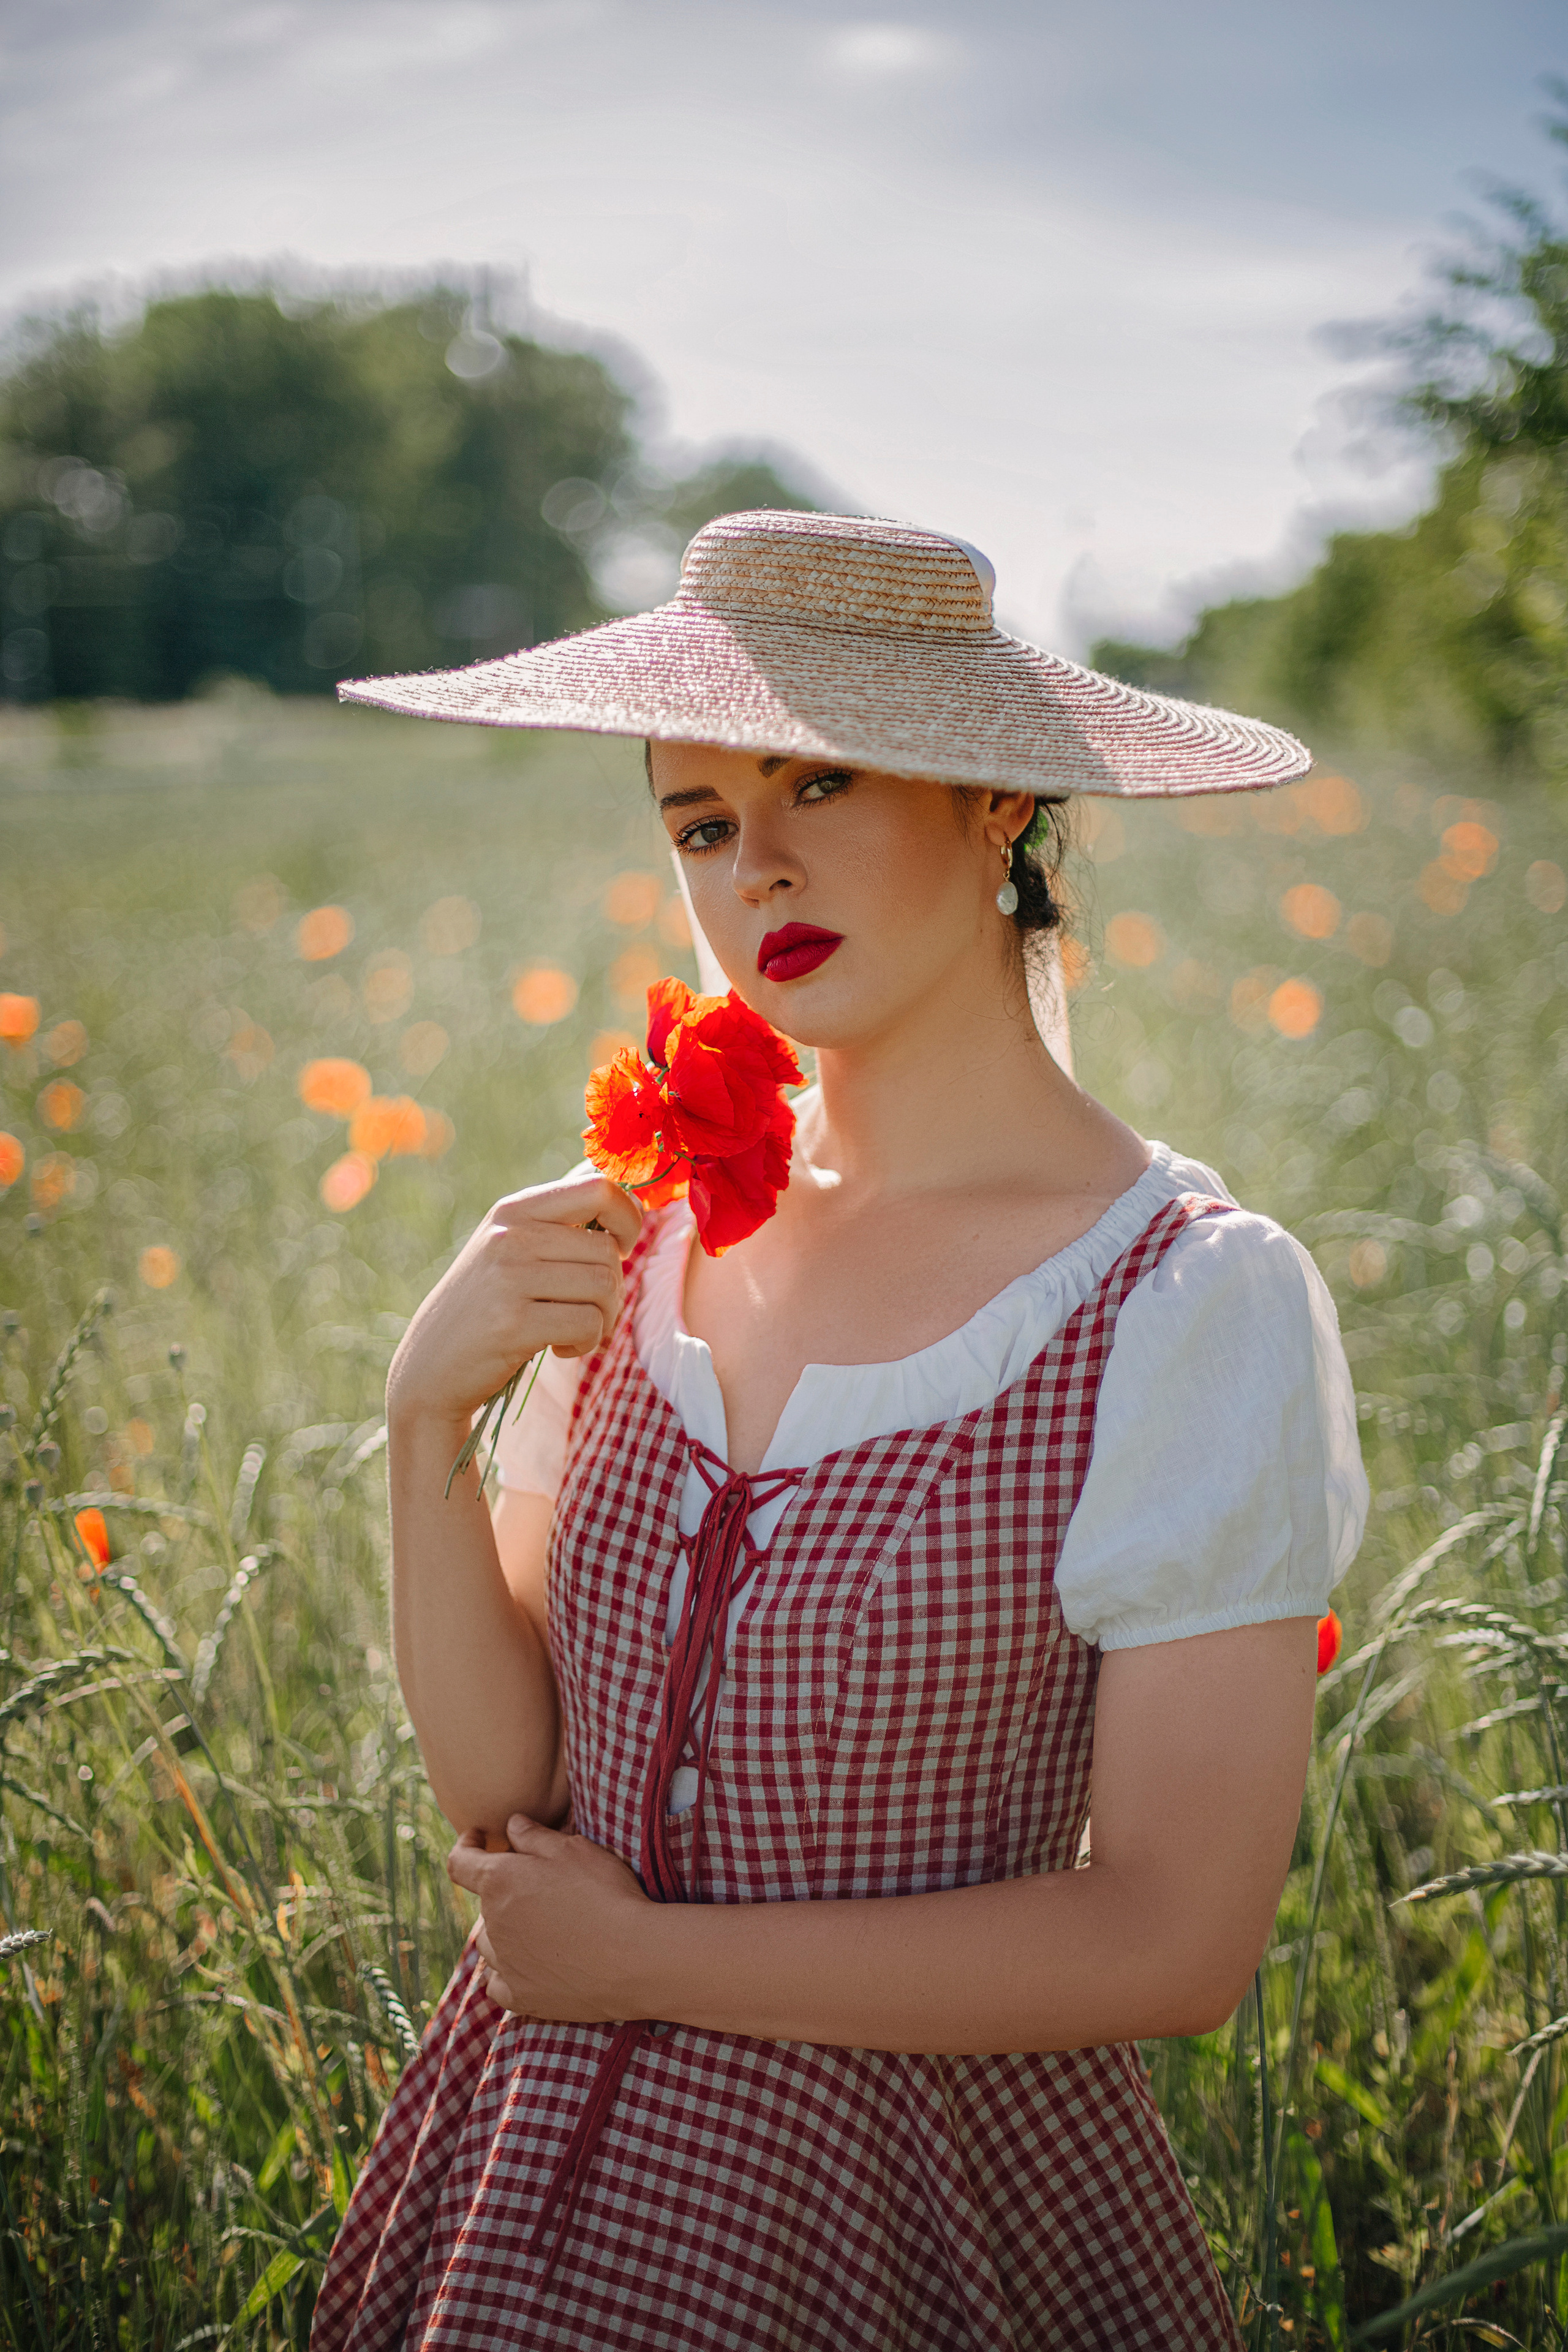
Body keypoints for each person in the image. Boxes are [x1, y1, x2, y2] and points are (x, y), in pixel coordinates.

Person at [311, 511, 1367, 2351]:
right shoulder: (644, 1229)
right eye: (702, 820)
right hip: (534, 2185)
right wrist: (422, 1428)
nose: (758, 867)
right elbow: (511, 1805)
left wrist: (648, 1964)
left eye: (823, 780)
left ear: (997, 810)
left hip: (922, 2212)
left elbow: (1176, 1943)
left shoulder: (1188, 1304)